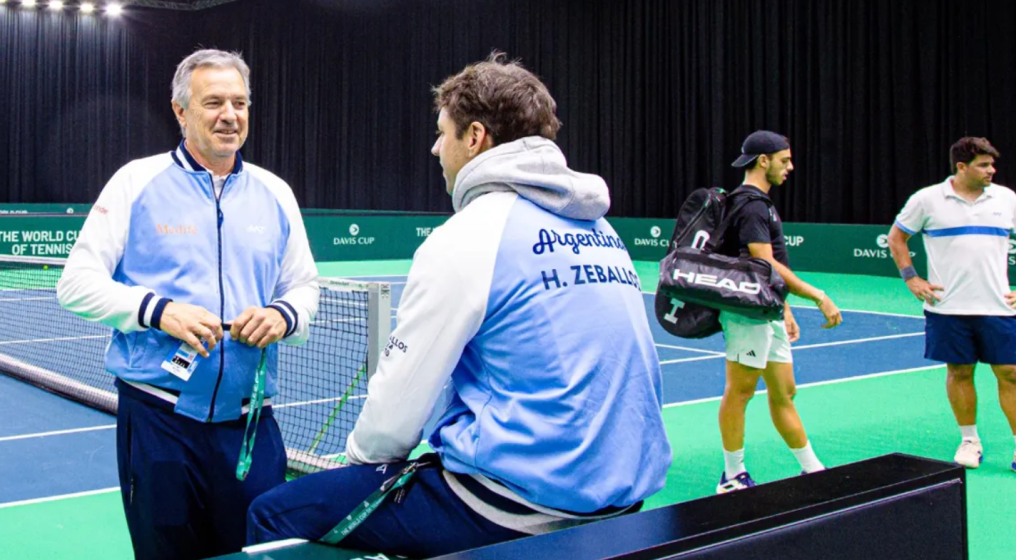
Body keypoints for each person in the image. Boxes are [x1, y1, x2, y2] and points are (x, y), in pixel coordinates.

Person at [246, 53, 672, 557]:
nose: (434, 147)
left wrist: (359, 468)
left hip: (518, 505)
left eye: (442, 132)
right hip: (626, 498)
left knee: (274, 514)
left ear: (474, 138)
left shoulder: (471, 234)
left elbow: (396, 413)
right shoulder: (600, 230)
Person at [56, 49, 319, 560]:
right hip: (159, 421)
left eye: (240, 103)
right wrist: (159, 310)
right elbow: (76, 283)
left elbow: (305, 289)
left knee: (260, 555)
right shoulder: (136, 181)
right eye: (214, 102)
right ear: (181, 112)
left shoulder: (276, 192)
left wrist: (282, 316)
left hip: (250, 427)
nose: (230, 115)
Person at [714, 130, 843, 494]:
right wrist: (817, 296)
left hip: (767, 311)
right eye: (784, 160)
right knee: (739, 392)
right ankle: (732, 475)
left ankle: (811, 468)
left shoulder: (761, 202)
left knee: (784, 391)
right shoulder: (751, 204)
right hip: (746, 314)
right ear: (763, 160)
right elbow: (764, 261)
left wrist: (783, 307)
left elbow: (767, 268)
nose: (790, 167)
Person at [887, 136, 1016, 476]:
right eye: (984, 165)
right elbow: (896, 237)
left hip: (999, 307)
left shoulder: (1007, 199)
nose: (992, 170)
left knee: (1013, 374)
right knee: (959, 372)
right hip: (947, 308)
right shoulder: (927, 199)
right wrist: (911, 278)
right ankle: (969, 441)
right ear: (961, 167)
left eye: (992, 164)